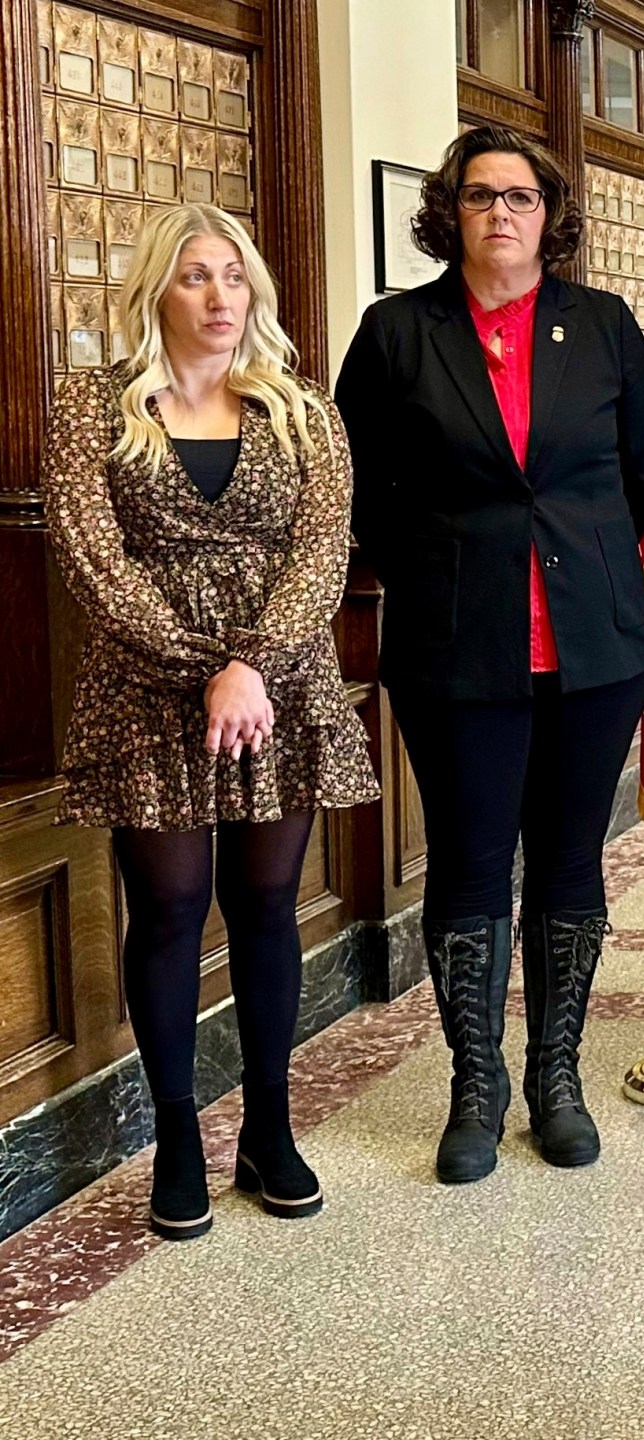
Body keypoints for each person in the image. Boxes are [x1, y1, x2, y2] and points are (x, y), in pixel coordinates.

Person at [336, 125, 644, 1185]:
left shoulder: (604, 326)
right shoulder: (397, 332)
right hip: (454, 643)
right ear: (451, 212)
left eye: (519, 197)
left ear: (547, 213)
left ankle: (555, 1081)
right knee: (473, 866)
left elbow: (642, 473)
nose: (501, 215)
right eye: (480, 197)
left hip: (592, 643)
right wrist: (444, 563)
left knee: (570, 862)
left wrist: (576, 554)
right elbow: (360, 487)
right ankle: (474, 1088)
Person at [41, 203, 378, 1239]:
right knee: (173, 910)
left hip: (277, 690)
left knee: (269, 905)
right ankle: (179, 1138)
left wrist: (251, 666)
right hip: (147, 693)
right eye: (196, 277)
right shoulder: (93, 406)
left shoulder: (301, 411)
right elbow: (94, 563)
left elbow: (323, 556)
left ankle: (270, 1129)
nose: (221, 296)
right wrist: (206, 671)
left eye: (236, 277)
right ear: (157, 291)